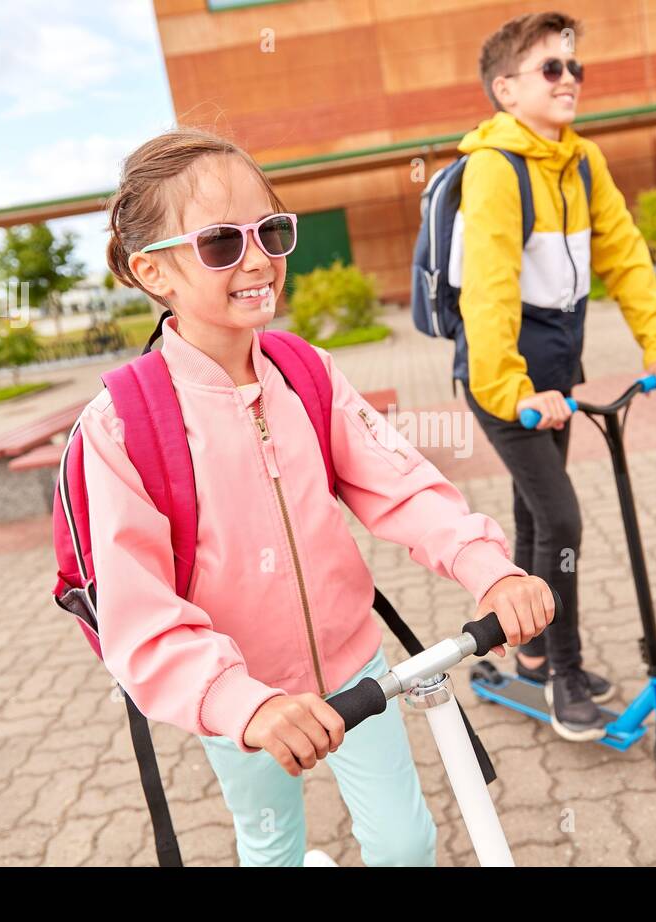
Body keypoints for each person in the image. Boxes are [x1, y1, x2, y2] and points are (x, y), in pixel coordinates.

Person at [81, 128, 554, 867]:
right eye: (219, 244)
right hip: (238, 695)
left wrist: (489, 568)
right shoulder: (122, 426)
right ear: (153, 271)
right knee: (272, 846)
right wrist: (247, 705)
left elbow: (400, 483)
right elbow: (138, 617)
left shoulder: (305, 372)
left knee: (406, 843)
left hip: (352, 666)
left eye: (270, 230)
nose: (259, 259)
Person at [456, 12, 656, 740]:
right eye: (550, 69)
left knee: (532, 514)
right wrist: (512, 394)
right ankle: (563, 676)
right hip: (504, 382)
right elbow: (488, 291)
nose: (569, 80)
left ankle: (526, 651)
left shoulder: (584, 162)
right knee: (560, 520)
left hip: (557, 374)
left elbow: (625, 255)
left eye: (574, 67)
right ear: (506, 88)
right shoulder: (495, 168)